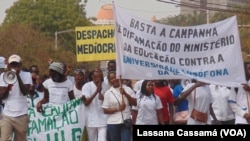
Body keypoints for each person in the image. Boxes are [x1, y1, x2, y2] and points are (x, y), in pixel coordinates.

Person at [0, 54, 32, 141]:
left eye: (16, 64)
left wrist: (17, 76)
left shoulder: (27, 75)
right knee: (4, 139)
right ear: (9, 66)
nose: (14, 67)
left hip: (21, 114)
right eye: (12, 65)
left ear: (20, 65)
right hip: (7, 115)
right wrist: (9, 83)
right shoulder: (3, 76)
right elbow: (2, 96)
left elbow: (25, 92)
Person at [102, 71, 136, 141]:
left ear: (119, 78)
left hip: (125, 121)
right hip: (113, 123)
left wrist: (125, 94)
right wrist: (118, 108)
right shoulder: (108, 93)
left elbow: (135, 103)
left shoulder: (127, 89)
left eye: (115, 77)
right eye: (111, 78)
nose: (114, 79)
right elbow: (105, 110)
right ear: (109, 81)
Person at [82, 67, 109, 141]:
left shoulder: (105, 86)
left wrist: (103, 98)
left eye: (100, 75)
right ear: (92, 76)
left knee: (103, 139)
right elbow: (86, 103)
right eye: (97, 75)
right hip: (91, 120)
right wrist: (97, 91)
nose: (99, 77)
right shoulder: (87, 86)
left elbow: (109, 101)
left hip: (103, 119)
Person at [73, 69, 88, 141]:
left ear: (84, 77)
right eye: (76, 76)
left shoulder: (87, 87)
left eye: (80, 75)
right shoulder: (71, 89)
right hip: (76, 117)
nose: (78, 77)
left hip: (87, 116)